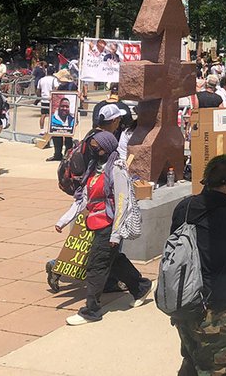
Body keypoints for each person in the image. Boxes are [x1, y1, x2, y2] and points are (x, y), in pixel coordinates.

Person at [171, 154, 226, 375]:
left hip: (185, 304)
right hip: (215, 308)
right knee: (221, 367)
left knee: (192, 361)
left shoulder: (185, 207)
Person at [55, 131, 151, 324]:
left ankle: (91, 311)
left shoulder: (117, 170)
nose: (93, 150)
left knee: (96, 266)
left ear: (106, 147)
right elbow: (84, 199)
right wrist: (64, 220)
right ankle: (140, 287)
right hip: (95, 222)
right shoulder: (93, 169)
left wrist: (116, 234)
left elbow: (122, 203)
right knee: (112, 260)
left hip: (109, 224)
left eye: (96, 147)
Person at [38, 67, 59, 132]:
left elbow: (38, 89)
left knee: (43, 115)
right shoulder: (54, 79)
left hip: (43, 99)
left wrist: (40, 96)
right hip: (51, 100)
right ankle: (51, 129)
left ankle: (42, 130)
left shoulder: (41, 79)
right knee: (52, 115)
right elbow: (56, 88)